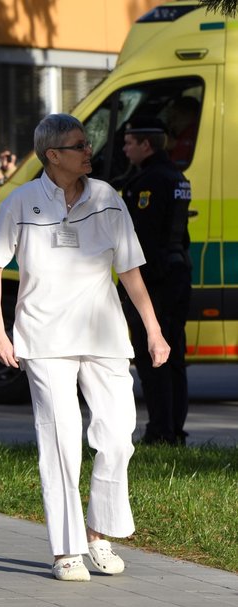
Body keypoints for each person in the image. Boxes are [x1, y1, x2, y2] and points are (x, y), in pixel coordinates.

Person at [0, 113, 170, 581]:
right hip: (44, 338)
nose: (90, 151)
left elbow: (130, 270)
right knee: (61, 439)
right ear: (53, 155)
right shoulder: (20, 201)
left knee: (118, 434)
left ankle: (97, 532)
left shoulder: (108, 199)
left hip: (104, 335)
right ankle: (66, 549)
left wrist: (152, 328)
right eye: (80, 145)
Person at [121, 116, 192, 446]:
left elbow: (143, 238)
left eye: (129, 142)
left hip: (156, 279)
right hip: (179, 271)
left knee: (153, 355)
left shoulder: (147, 182)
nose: (124, 148)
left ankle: (159, 431)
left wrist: (137, 288)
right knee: (175, 353)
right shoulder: (178, 176)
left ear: (145, 145)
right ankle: (175, 428)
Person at [167, 96, 200, 169]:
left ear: (188, 115)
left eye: (175, 118)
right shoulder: (186, 135)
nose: (172, 124)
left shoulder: (193, 134)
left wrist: (176, 145)